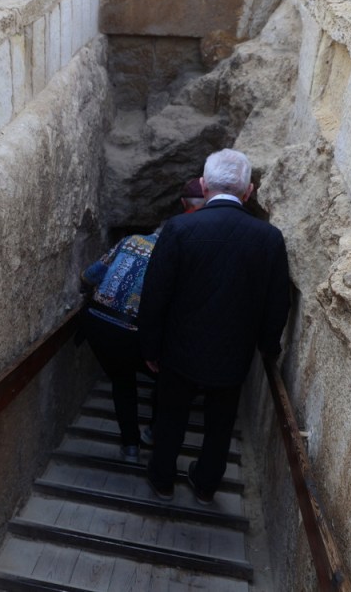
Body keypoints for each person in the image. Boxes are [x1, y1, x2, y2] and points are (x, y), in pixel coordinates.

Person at [138, 149, 291, 503]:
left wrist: (150, 346)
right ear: (248, 191)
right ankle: (206, 485)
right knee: (220, 424)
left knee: (171, 417)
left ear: (205, 186)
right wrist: (268, 347)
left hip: (179, 351)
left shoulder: (179, 228)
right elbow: (277, 304)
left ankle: (162, 479)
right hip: (232, 356)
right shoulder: (269, 239)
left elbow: (155, 294)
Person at [79, 179, 207, 461]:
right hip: (135, 331)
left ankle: (130, 446)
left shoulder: (131, 240)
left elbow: (89, 276)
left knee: (122, 381)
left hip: (98, 323)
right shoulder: (181, 255)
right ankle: (153, 430)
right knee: (169, 377)